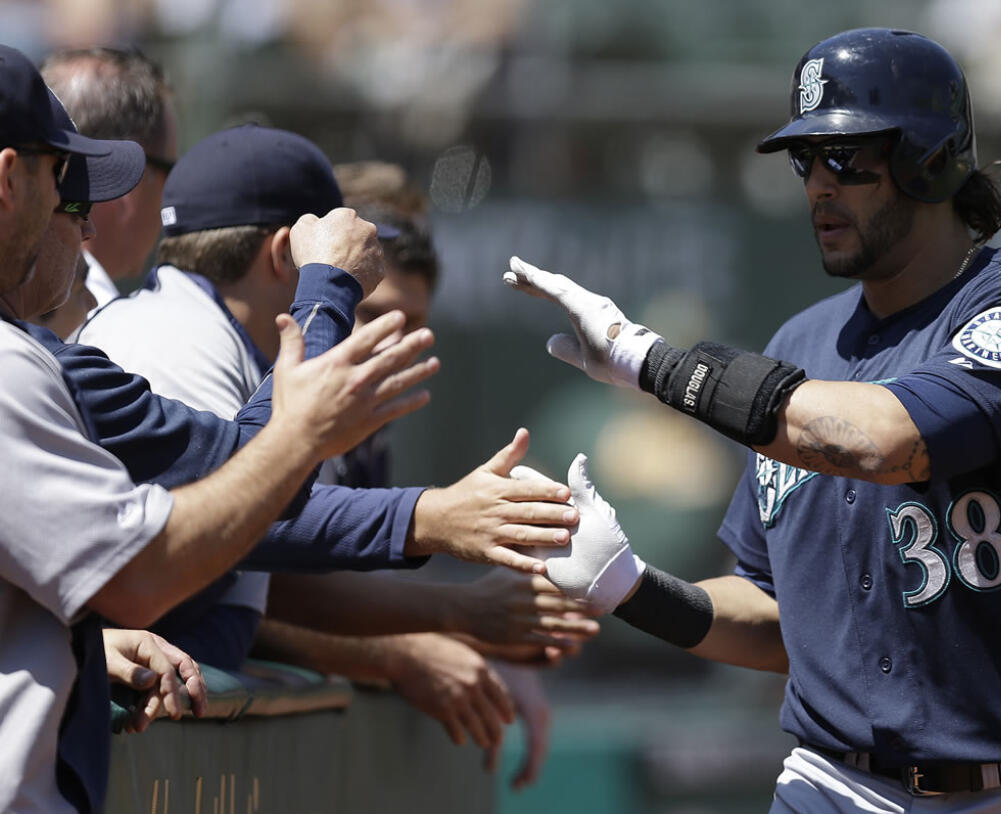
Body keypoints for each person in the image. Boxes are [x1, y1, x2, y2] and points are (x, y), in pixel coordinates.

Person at [504, 28, 1001, 813]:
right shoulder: (800, 345)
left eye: (847, 157)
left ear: (927, 159)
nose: (818, 186)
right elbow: (778, 621)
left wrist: (647, 359)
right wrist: (629, 587)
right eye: (806, 160)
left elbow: (885, 440)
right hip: (831, 784)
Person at [0, 43, 435, 814]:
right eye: (67, 193)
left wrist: (89, 646)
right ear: (8, 180)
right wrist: (325, 303)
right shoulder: (38, 360)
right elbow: (160, 556)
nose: (88, 226)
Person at [76, 136, 597, 754]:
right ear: (284, 256)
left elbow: (251, 540)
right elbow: (246, 516)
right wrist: (431, 529)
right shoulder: (174, 338)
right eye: (360, 287)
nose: (380, 331)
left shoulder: (227, 340)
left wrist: (456, 609)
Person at [41, 47, 178, 313]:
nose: (168, 197)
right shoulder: (110, 330)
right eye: (169, 172)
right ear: (129, 177)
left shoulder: (20, 297)